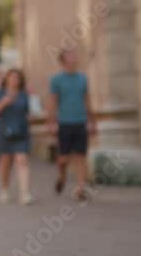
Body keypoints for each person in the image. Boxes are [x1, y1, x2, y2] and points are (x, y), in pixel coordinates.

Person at [48, 48, 96, 201]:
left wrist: (92, 120)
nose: (74, 60)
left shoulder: (82, 78)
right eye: (70, 58)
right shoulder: (56, 80)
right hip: (64, 123)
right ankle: (62, 176)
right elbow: (53, 102)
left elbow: (87, 100)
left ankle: (80, 188)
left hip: (80, 122)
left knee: (81, 156)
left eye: (74, 57)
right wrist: (51, 122)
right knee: (63, 159)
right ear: (63, 62)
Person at [0, 68, 33, 205]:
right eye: (12, 77)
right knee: (5, 163)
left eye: (17, 77)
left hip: (21, 132)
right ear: (7, 79)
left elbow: (28, 112)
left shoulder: (23, 95)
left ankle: (25, 193)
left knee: (22, 160)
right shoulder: (0, 93)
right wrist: (3, 103)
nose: (15, 80)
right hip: (4, 132)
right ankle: (4, 189)